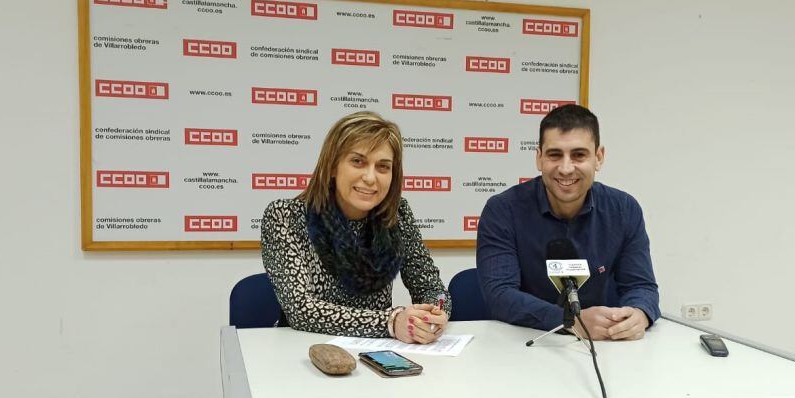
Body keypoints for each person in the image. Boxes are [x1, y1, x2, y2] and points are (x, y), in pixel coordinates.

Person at [261, 111, 450, 342]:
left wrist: (435, 314)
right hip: (304, 351)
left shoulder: (397, 214)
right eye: (358, 162)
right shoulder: (285, 216)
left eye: (383, 167)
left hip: (376, 351)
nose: (370, 178)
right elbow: (301, 310)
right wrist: (390, 322)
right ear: (332, 166)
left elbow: (433, 287)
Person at [476, 104, 659, 340]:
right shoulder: (503, 210)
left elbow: (642, 286)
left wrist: (639, 313)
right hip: (520, 344)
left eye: (579, 155)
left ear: (598, 158)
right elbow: (499, 295)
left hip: (602, 348)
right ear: (539, 158)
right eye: (554, 155)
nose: (565, 168)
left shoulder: (624, 210)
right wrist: (571, 321)